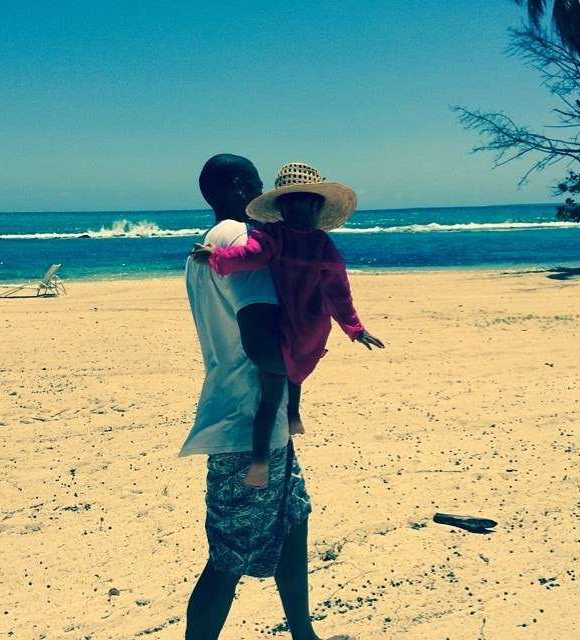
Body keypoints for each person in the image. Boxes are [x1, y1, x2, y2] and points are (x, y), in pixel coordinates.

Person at [181, 154, 354, 640]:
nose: (263, 204)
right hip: (244, 420)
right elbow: (259, 339)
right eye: (255, 188)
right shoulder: (238, 239)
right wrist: (297, 362)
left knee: (294, 518)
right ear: (238, 187)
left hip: (258, 415)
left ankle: (305, 634)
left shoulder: (209, 245)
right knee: (229, 556)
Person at [190, 162, 385, 488]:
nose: (301, 208)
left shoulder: (274, 235)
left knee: (272, 392)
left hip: (291, 326)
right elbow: (337, 290)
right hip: (310, 326)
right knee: (292, 373)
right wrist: (353, 327)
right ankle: (292, 417)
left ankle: (261, 462)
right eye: (295, 203)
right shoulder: (319, 243)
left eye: (303, 203)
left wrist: (214, 257)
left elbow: (247, 258)